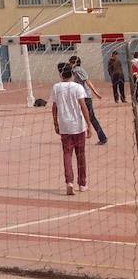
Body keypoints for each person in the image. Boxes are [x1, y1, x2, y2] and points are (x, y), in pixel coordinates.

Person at [51, 63, 96, 195]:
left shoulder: (56, 87)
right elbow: (83, 106)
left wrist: (55, 123)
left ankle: (69, 182)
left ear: (60, 74)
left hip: (65, 126)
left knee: (67, 154)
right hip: (78, 125)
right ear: (72, 73)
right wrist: (89, 124)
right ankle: (82, 184)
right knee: (80, 155)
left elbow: (54, 108)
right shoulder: (77, 87)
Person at [68, 56, 108, 145]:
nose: (69, 64)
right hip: (82, 96)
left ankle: (102, 137)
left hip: (85, 97)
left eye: (70, 62)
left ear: (74, 63)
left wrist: (95, 92)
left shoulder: (77, 70)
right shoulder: (77, 71)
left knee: (91, 117)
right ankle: (77, 136)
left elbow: (87, 81)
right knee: (81, 116)